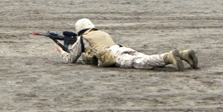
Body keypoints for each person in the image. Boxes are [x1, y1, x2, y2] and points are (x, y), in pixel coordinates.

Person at [55, 18, 198, 71]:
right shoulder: (102, 32)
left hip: (113, 55)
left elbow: (71, 59)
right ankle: (183, 55)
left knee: (140, 63)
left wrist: (61, 51)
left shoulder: (83, 37)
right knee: (144, 57)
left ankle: (169, 57)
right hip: (120, 48)